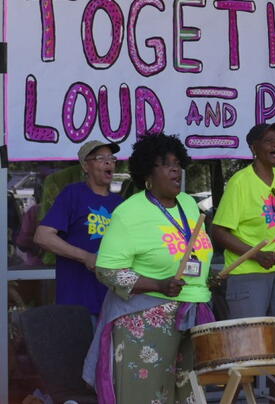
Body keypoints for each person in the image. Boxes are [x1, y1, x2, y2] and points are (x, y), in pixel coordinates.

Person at [83, 134, 214, 404]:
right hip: (144, 321)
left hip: (190, 314)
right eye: (166, 164)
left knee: (187, 395)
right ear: (147, 174)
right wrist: (157, 284)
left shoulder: (189, 205)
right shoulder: (129, 213)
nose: (175, 169)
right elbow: (106, 270)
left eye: (178, 163)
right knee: (147, 397)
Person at [212, 123, 275, 319]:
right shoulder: (240, 182)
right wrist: (256, 255)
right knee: (251, 342)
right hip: (247, 274)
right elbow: (218, 232)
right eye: (268, 141)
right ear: (253, 148)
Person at [34, 141, 123, 319]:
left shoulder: (120, 204)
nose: (109, 162)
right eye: (100, 158)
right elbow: (42, 236)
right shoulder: (73, 194)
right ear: (85, 166)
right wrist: (86, 257)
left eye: (111, 158)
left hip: (114, 305)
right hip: (78, 303)